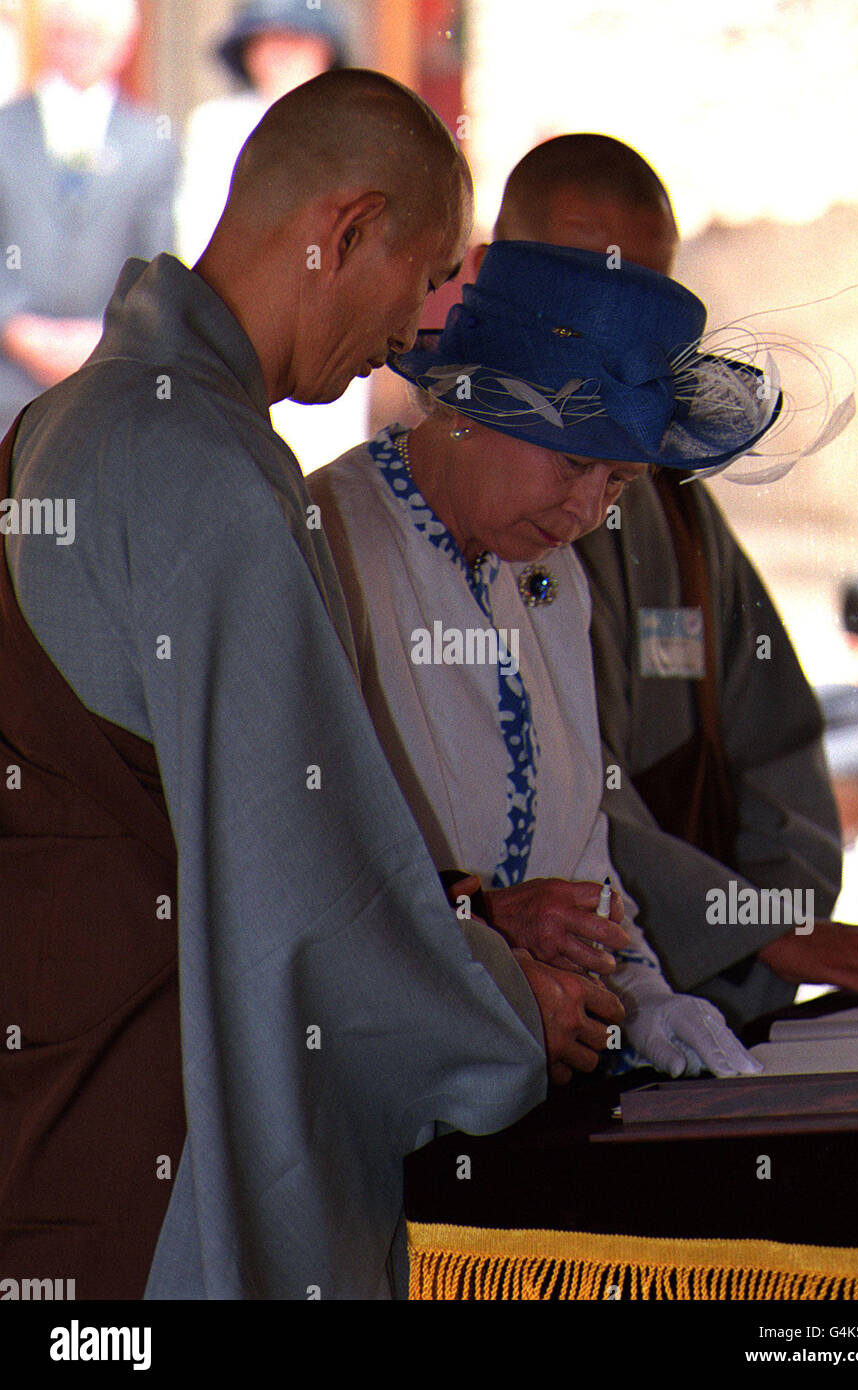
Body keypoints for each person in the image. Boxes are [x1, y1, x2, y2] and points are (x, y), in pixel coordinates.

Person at [0, 70, 553, 1302]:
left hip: (52, 1126)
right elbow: (305, 890)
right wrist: (510, 1016)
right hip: (155, 1153)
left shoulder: (74, 420)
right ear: (345, 231)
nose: (411, 336)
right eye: (418, 282)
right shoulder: (201, 471)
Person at [310, 238, 781, 1082]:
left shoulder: (554, 578)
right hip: (387, 1086)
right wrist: (478, 915)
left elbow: (579, 858)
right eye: (572, 462)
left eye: (619, 482)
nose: (587, 508)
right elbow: (305, 863)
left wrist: (642, 999)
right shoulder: (330, 542)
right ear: (469, 403)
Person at [484, 134, 858, 1028]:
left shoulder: (677, 509)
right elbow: (561, 786)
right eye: (580, 283)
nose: (614, 329)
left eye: (647, 299)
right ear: (493, 276)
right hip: (544, 997)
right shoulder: (457, 506)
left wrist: (771, 921)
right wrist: (750, 931)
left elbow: (775, 739)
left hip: (708, 999)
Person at [176, 0, 368, 474]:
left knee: (321, 486)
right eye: (269, 41)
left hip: (330, 339)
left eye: (296, 41)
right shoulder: (215, 127)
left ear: (325, 50)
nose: (281, 55)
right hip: (232, 331)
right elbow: (195, 239)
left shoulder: (358, 132)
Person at [0, 0, 176, 434]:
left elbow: (157, 260)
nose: (79, 46)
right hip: (7, 383)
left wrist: (105, 335)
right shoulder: (5, 129)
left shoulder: (152, 141)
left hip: (109, 384)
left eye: (94, 34)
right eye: (66, 32)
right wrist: (17, 329)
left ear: (124, 45)